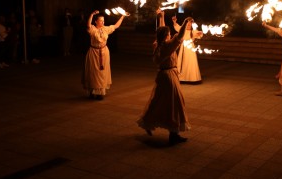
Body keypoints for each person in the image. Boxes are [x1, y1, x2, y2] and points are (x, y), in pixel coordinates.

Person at [137, 9, 192, 145]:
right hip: (169, 77)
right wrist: (185, 22)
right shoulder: (167, 46)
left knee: (159, 101)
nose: (170, 34)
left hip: (163, 75)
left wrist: (162, 16)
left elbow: (161, 32)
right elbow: (179, 37)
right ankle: (173, 134)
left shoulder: (158, 44)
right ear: (166, 36)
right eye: (168, 33)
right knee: (175, 104)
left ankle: (149, 123)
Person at [82, 10, 127, 100]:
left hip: (104, 52)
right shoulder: (92, 29)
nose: (103, 22)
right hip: (94, 52)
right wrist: (91, 14)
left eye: (103, 20)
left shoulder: (106, 29)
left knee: (102, 72)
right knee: (93, 72)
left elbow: (116, 26)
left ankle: (100, 93)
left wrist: (123, 16)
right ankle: (92, 91)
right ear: (96, 21)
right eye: (101, 20)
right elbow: (88, 25)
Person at [172, 14, 203, 84]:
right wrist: (174, 21)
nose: (189, 24)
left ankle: (192, 78)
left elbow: (199, 34)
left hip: (190, 49)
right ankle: (182, 78)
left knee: (190, 63)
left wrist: (200, 33)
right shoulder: (182, 30)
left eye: (190, 23)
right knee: (183, 62)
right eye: (187, 22)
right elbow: (177, 27)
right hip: (183, 48)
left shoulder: (193, 31)